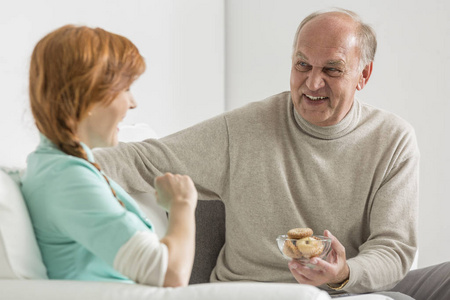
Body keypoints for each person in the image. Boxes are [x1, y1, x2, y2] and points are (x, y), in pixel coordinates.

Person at [93, 8, 449, 299]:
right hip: (261, 292)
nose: (312, 83)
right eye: (302, 65)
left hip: (347, 288)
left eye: (332, 69)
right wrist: (60, 162)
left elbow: (394, 247)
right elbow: (142, 160)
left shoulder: (392, 139)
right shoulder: (245, 129)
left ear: (363, 75)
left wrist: (343, 273)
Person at [21, 25, 198, 287]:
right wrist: (182, 204)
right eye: (125, 89)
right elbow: (170, 274)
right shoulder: (67, 178)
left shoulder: (57, 165)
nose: (133, 102)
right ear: (89, 95)